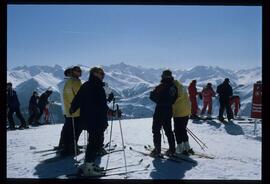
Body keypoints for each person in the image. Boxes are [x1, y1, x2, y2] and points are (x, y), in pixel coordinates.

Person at [70, 67, 121, 177]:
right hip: (96, 119)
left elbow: (77, 99)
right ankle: (88, 167)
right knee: (94, 142)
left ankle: (90, 164)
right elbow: (101, 105)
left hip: (88, 118)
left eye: (103, 73)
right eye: (101, 73)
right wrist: (113, 113)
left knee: (93, 141)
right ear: (94, 73)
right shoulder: (97, 86)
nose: (103, 75)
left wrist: (73, 108)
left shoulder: (86, 85)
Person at [149, 70, 178, 157]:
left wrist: (159, 100)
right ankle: (172, 149)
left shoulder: (161, 86)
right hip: (168, 110)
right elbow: (174, 99)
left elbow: (152, 96)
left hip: (160, 110)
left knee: (156, 130)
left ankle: (157, 150)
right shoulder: (174, 87)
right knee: (168, 130)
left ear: (163, 76)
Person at [59, 66, 83, 156]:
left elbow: (66, 96)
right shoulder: (75, 82)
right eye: (78, 71)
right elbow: (80, 95)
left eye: (80, 70)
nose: (80, 72)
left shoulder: (68, 82)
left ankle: (66, 147)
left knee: (69, 129)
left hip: (69, 110)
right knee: (76, 129)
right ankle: (72, 147)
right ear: (73, 72)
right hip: (76, 110)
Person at [172, 79, 194, 155]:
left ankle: (180, 148)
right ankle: (187, 147)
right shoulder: (181, 86)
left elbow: (173, 100)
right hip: (186, 112)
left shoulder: (173, 88)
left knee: (177, 131)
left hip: (179, 112)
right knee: (183, 130)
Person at [57, 68, 73, 150]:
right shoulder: (68, 83)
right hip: (71, 108)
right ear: (69, 74)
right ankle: (67, 144)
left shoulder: (62, 83)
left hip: (65, 108)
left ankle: (63, 143)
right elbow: (71, 96)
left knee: (67, 126)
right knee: (70, 127)